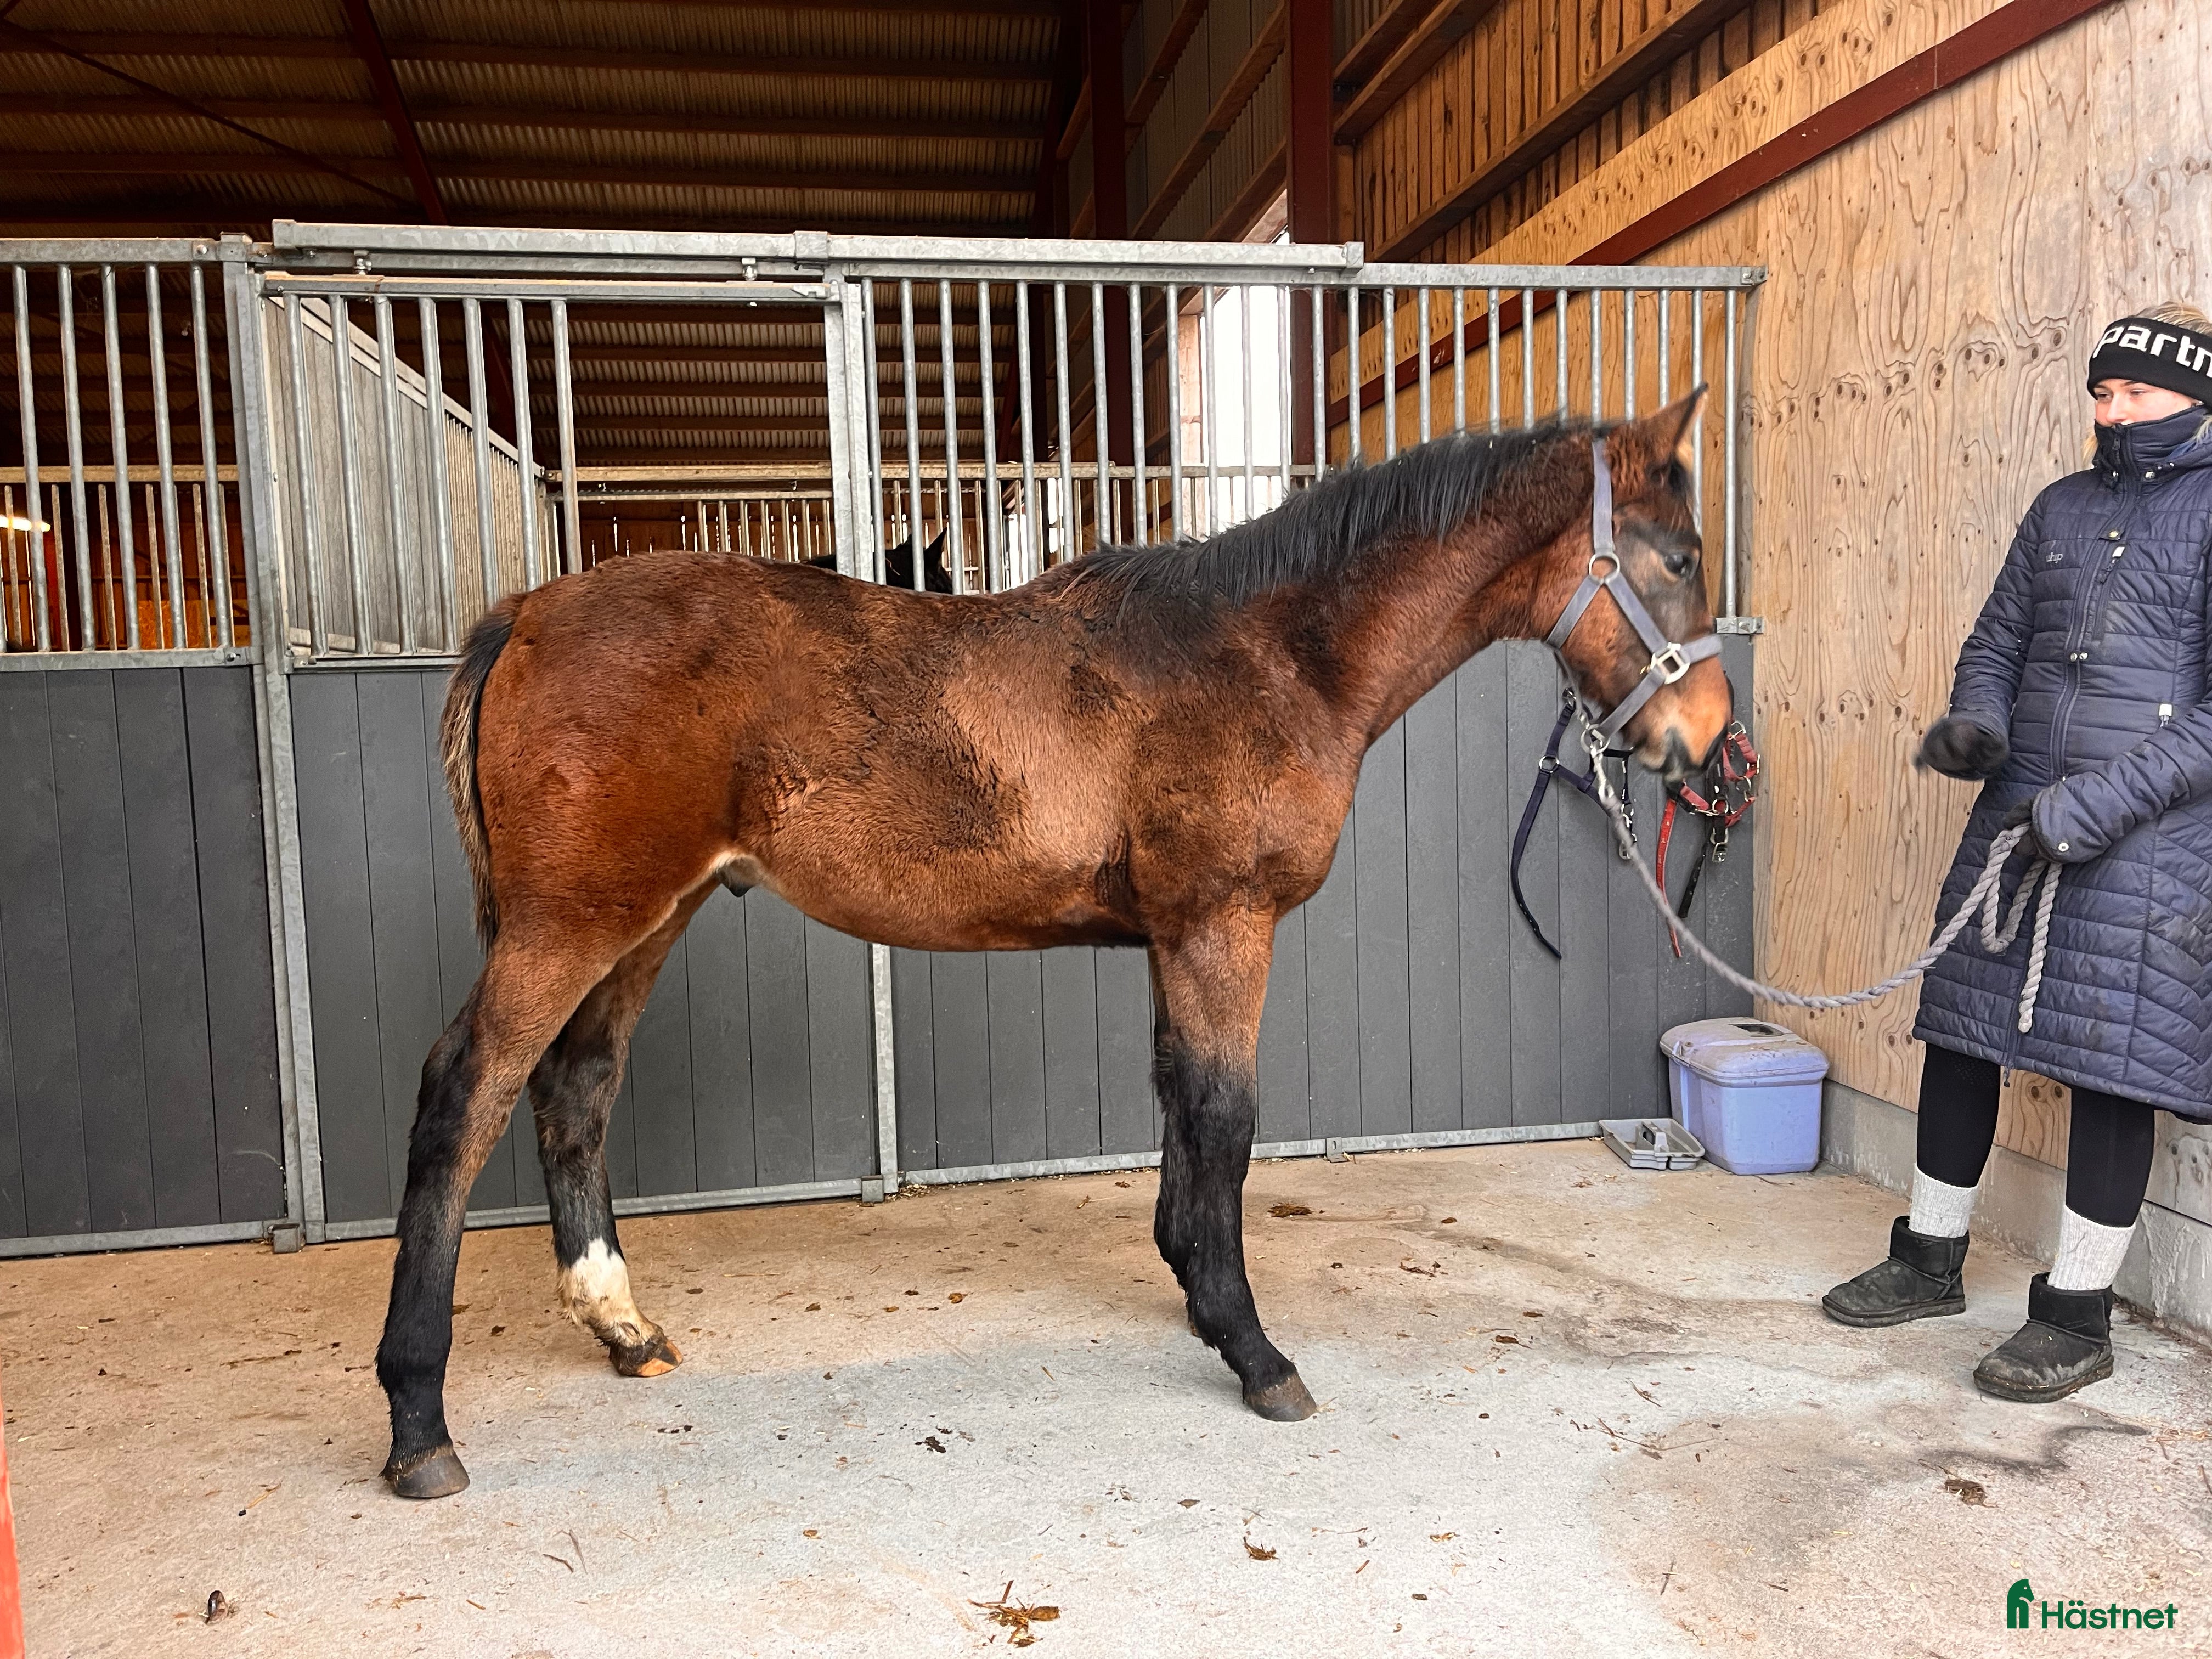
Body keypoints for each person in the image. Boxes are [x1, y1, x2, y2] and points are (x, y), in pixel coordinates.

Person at [1822, 301, 2212, 1401]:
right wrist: (1979, 724)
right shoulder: (2061, 506)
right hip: (2021, 811)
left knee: (2111, 1067)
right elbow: (1998, 637)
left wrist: (2101, 802)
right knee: (1961, 1028)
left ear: (2196, 394)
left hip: (2149, 841)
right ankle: (1929, 1259)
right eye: (2102, 390)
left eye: (2133, 391)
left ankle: (2078, 1316)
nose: (2112, 409)